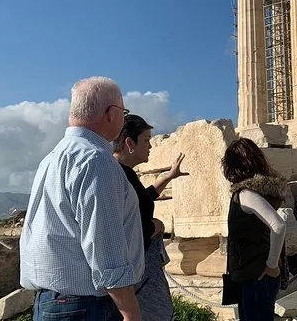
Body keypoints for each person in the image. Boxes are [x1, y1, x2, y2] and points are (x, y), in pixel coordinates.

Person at [20, 77, 144, 321]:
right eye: (124, 112)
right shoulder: (95, 160)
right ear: (111, 114)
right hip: (86, 306)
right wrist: (131, 312)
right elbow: (104, 244)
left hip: (51, 301)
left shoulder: (51, 158)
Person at [113, 114, 186, 320]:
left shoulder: (125, 172)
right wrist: (155, 227)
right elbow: (123, 227)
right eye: (146, 140)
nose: (150, 146)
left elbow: (142, 199)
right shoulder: (118, 174)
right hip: (132, 273)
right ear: (129, 143)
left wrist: (168, 176)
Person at [222, 138, 288, 321]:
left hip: (256, 276)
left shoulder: (246, 194)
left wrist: (272, 265)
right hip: (253, 274)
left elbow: (278, 225)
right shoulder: (254, 193)